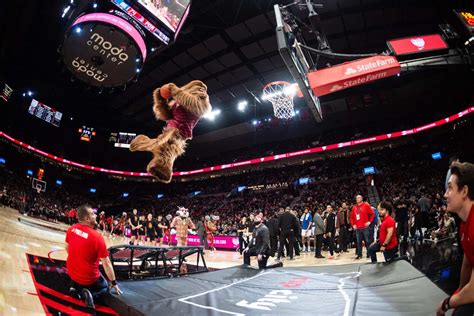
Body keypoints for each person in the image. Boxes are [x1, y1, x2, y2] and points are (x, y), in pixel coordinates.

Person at [65, 205, 122, 309]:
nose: (96, 215)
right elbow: (106, 263)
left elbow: (67, 248)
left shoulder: (71, 229)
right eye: (93, 214)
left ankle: (74, 287)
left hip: (71, 271)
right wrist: (114, 282)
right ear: (87, 218)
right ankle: (88, 295)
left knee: (80, 271)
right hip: (88, 278)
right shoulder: (97, 237)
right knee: (105, 286)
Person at [437, 162, 474, 316]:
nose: (445, 194)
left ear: (464, 191)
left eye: (450, 188)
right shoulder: (465, 224)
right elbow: (467, 263)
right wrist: (457, 296)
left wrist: (447, 303)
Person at [350, 195, 375, 259]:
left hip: (365, 227)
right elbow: (351, 218)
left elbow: (372, 214)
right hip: (358, 228)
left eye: (359, 197)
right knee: (358, 242)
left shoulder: (366, 205)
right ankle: (359, 254)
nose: (358, 199)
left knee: (367, 241)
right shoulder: (354, 207)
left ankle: (369, 254)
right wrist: (353, 225)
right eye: (357, 198)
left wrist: (369, 222)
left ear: (362, 198)